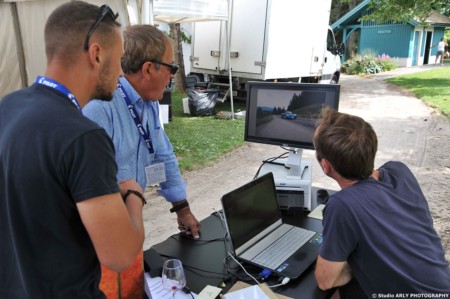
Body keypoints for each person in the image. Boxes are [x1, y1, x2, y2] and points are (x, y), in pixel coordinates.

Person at [0, 2, 146, 298]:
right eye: (118, 60)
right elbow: (119, 256)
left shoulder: (9, 106)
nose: (120, 73)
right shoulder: (84, 137)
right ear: (96, 54)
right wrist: (134, 196)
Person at [313, 108, 450, 297]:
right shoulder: (399, 171)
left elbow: (325, 280)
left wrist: (356, 263)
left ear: (326, 166)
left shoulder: (342, 206)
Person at [83, 25, 201, 238]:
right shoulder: (99, 108)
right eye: (171, 68)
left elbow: (163, 155)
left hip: (127, 220)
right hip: (99, 233)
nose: (173, 76)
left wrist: (182, 210)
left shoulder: (149, 102)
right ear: (147, 69)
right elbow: (87, 190)